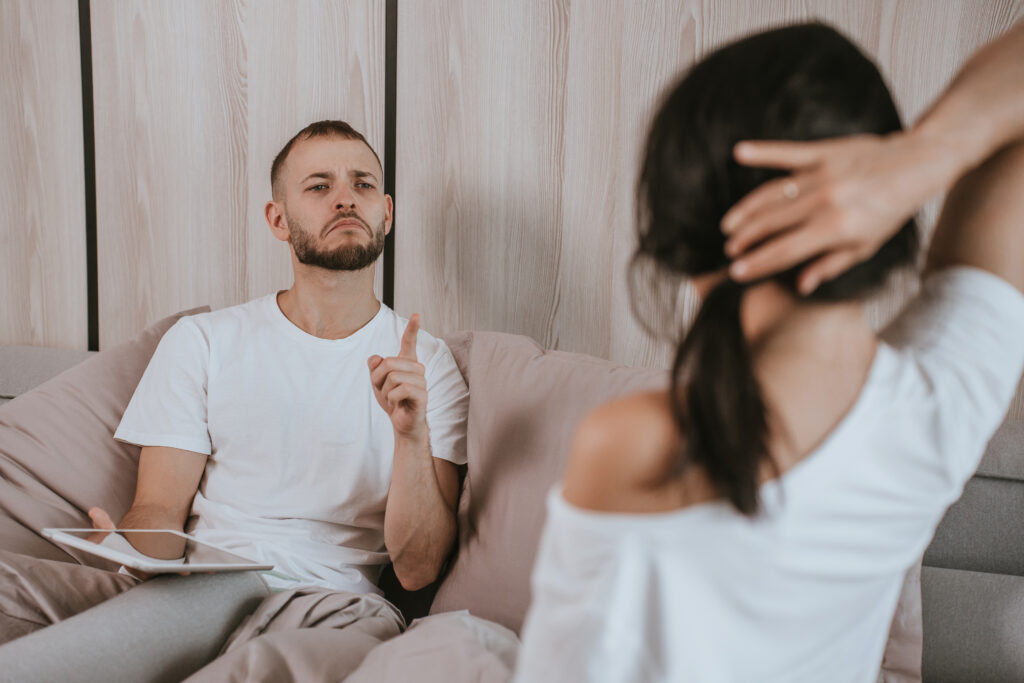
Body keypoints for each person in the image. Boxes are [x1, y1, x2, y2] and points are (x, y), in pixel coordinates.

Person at [515, 21, 1024, 683]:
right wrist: (921, 157)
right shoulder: (940, 408)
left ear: (681, 230)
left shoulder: (637, 446)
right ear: (873, 196)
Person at [0, 120, 469, 682]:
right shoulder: (204, 341)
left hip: (329, 606)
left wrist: (410, 437)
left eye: (363, 185)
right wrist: (129, 549)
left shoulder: (428, 367)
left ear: (386, 212)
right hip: (193, 587)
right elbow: (158, 510)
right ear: (278, 219)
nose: (346, 197)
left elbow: (417, 571)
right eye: (319, 186)